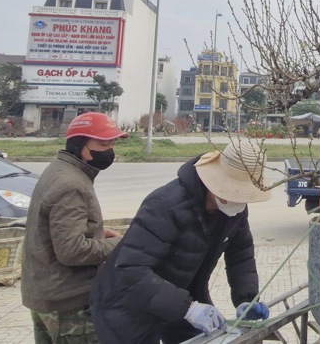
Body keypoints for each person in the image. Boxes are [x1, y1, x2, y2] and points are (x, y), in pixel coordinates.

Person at [90, 141, 272, 343]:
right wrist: (189, 309)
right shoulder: (164, 206)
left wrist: (246, 298)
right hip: (127, 304)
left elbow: (241, 253)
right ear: (214, 184)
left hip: (182, 295)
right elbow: (131, 271)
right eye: (235, 193)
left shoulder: (233, 210)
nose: (240, 201)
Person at [21, 112, 129, 343]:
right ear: (80, 144)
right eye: (103, 143)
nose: (110, 150)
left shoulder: (61, 170)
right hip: (69, 303)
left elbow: (58, 231)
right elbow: (71, 251)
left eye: (112, 143)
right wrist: (121, 243)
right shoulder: (71, 184)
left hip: (48, 292)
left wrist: (98, 234)